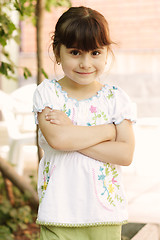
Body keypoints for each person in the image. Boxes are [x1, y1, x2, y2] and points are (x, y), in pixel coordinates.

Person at [33, 6, 136, 240]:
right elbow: (58, 139)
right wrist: (109, 131)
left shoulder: (116, 99)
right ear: (57, 53)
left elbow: (125, 154)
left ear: (106, 52)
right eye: (75, 52)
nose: (86, 63)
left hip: (104, 213)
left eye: (95, 53)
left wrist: (72, 133)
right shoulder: (48, 94)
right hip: (58, 211)